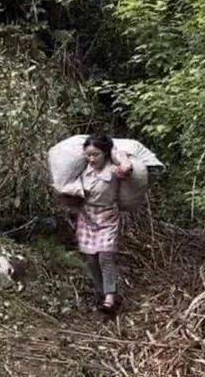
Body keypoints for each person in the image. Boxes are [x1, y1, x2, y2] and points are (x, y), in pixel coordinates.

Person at [75, 133, 133, 311]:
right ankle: (100, 292)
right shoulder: (83, 170)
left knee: (105, 256)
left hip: (107, 216)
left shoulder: (113, 171)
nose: (91, 159)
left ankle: (110, 296)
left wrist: (117, 154)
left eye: (96, 154)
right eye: (88, 154)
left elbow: (127, 168)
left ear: (105, 154)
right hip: (86, 216)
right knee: (91, 258)